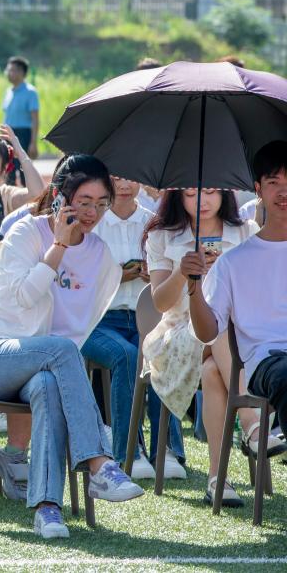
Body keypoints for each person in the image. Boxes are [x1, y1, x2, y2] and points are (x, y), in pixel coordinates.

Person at [0, 154, 144, 539]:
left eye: (102, 203)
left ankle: (47, 509)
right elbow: (25, 298)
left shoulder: (100, 256)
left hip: (44, 368)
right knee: (62, 350)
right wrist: (59, 245)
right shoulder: (25, 234)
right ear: (61, 196)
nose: (93, 213)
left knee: (49, 383)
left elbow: (84, 324)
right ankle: (99, 463)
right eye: (84, 201)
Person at [142, 187, 284, 506]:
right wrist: (184, 272)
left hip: (236, 334)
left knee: (212, 369)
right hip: (178, 332)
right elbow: (160, 303)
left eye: (209, 193)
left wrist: (228, 273)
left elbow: (261, 292)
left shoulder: (246, 232)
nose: (202, 201)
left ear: (224, 195)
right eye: (191, 194)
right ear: (178, 197)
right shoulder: (162, 236)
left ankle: (217, 479)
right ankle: (251, 424)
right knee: (216, 331)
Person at [185, 141, 287, 506]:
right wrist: (194, 287)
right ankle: (245, 441)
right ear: (258, 189)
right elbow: (208, 332)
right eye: (274, 182)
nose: (284, 191)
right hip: (267, 362)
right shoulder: (233, 262)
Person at [81, 176, 186, 480]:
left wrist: (156, 274)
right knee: (128, 355)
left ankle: (166, 450)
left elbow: (174, 277)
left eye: (130, 178)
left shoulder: (156, 223)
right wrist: (118, 275)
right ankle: (130, 450)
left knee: (162, 350)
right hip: (98, 321)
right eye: (116, 178)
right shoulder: (93, 224)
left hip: (148, 318)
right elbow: (76, 280)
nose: (124, 185)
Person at [1, 56, 40, 166]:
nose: (8, 73)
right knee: (8, 168)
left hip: (23, 135)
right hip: (8, 134)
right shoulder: (8, 91)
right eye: (8, 70)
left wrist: (33, 143)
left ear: (22, 72)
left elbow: (35, 119)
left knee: (23, 168)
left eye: (12, 70)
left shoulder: (30, 92)